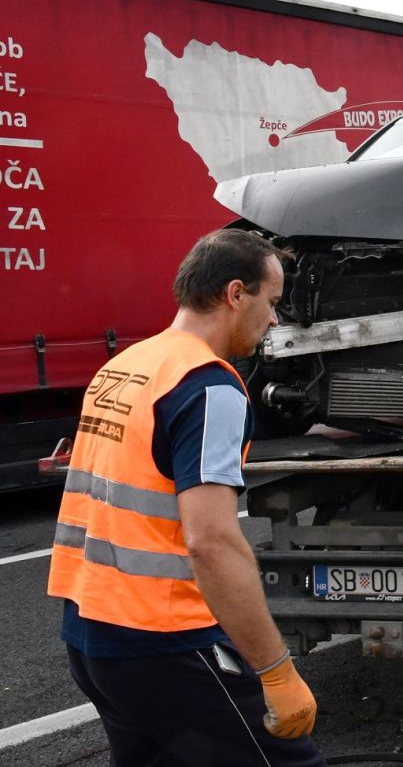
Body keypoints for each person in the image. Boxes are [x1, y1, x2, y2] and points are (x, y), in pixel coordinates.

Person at [47, 229, 325, 766]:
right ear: (235, 293)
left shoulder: (124, 367)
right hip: (166, 641)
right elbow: (212, 543)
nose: (274, 320)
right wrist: (276, 671)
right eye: (271, 302)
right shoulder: (208, 387)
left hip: (89, 632)